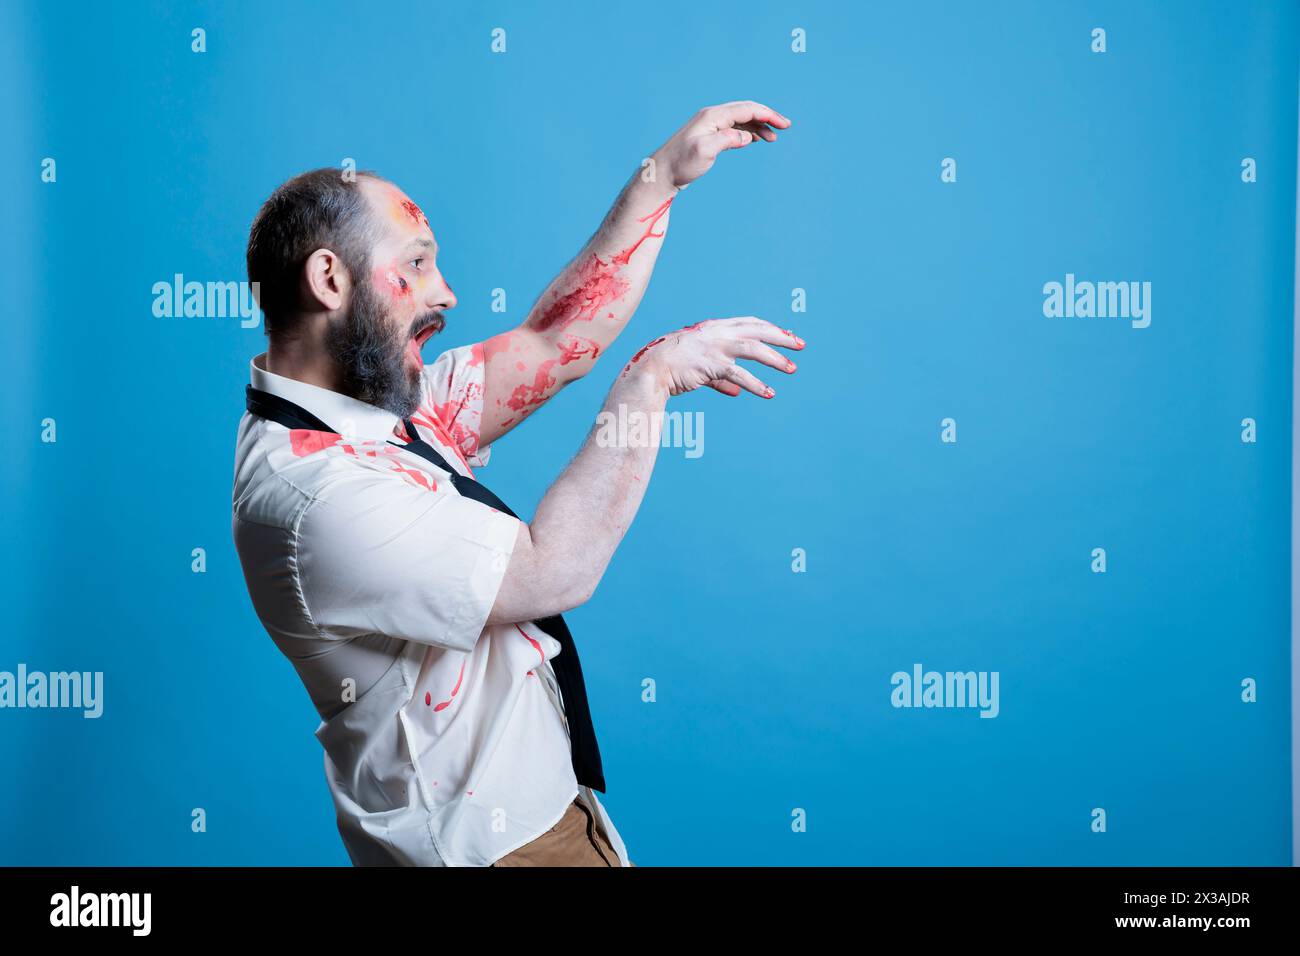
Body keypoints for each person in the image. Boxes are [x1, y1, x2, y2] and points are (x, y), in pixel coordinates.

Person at [231, 101, 804, 866]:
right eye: (417, 264)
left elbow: (554, 341)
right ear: (329, 279)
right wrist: (651, 381)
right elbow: (552, 569)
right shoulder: (316, 494)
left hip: (547, 819)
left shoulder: (371, 412)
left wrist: (662, 176)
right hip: (492, 854)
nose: (447, 292)